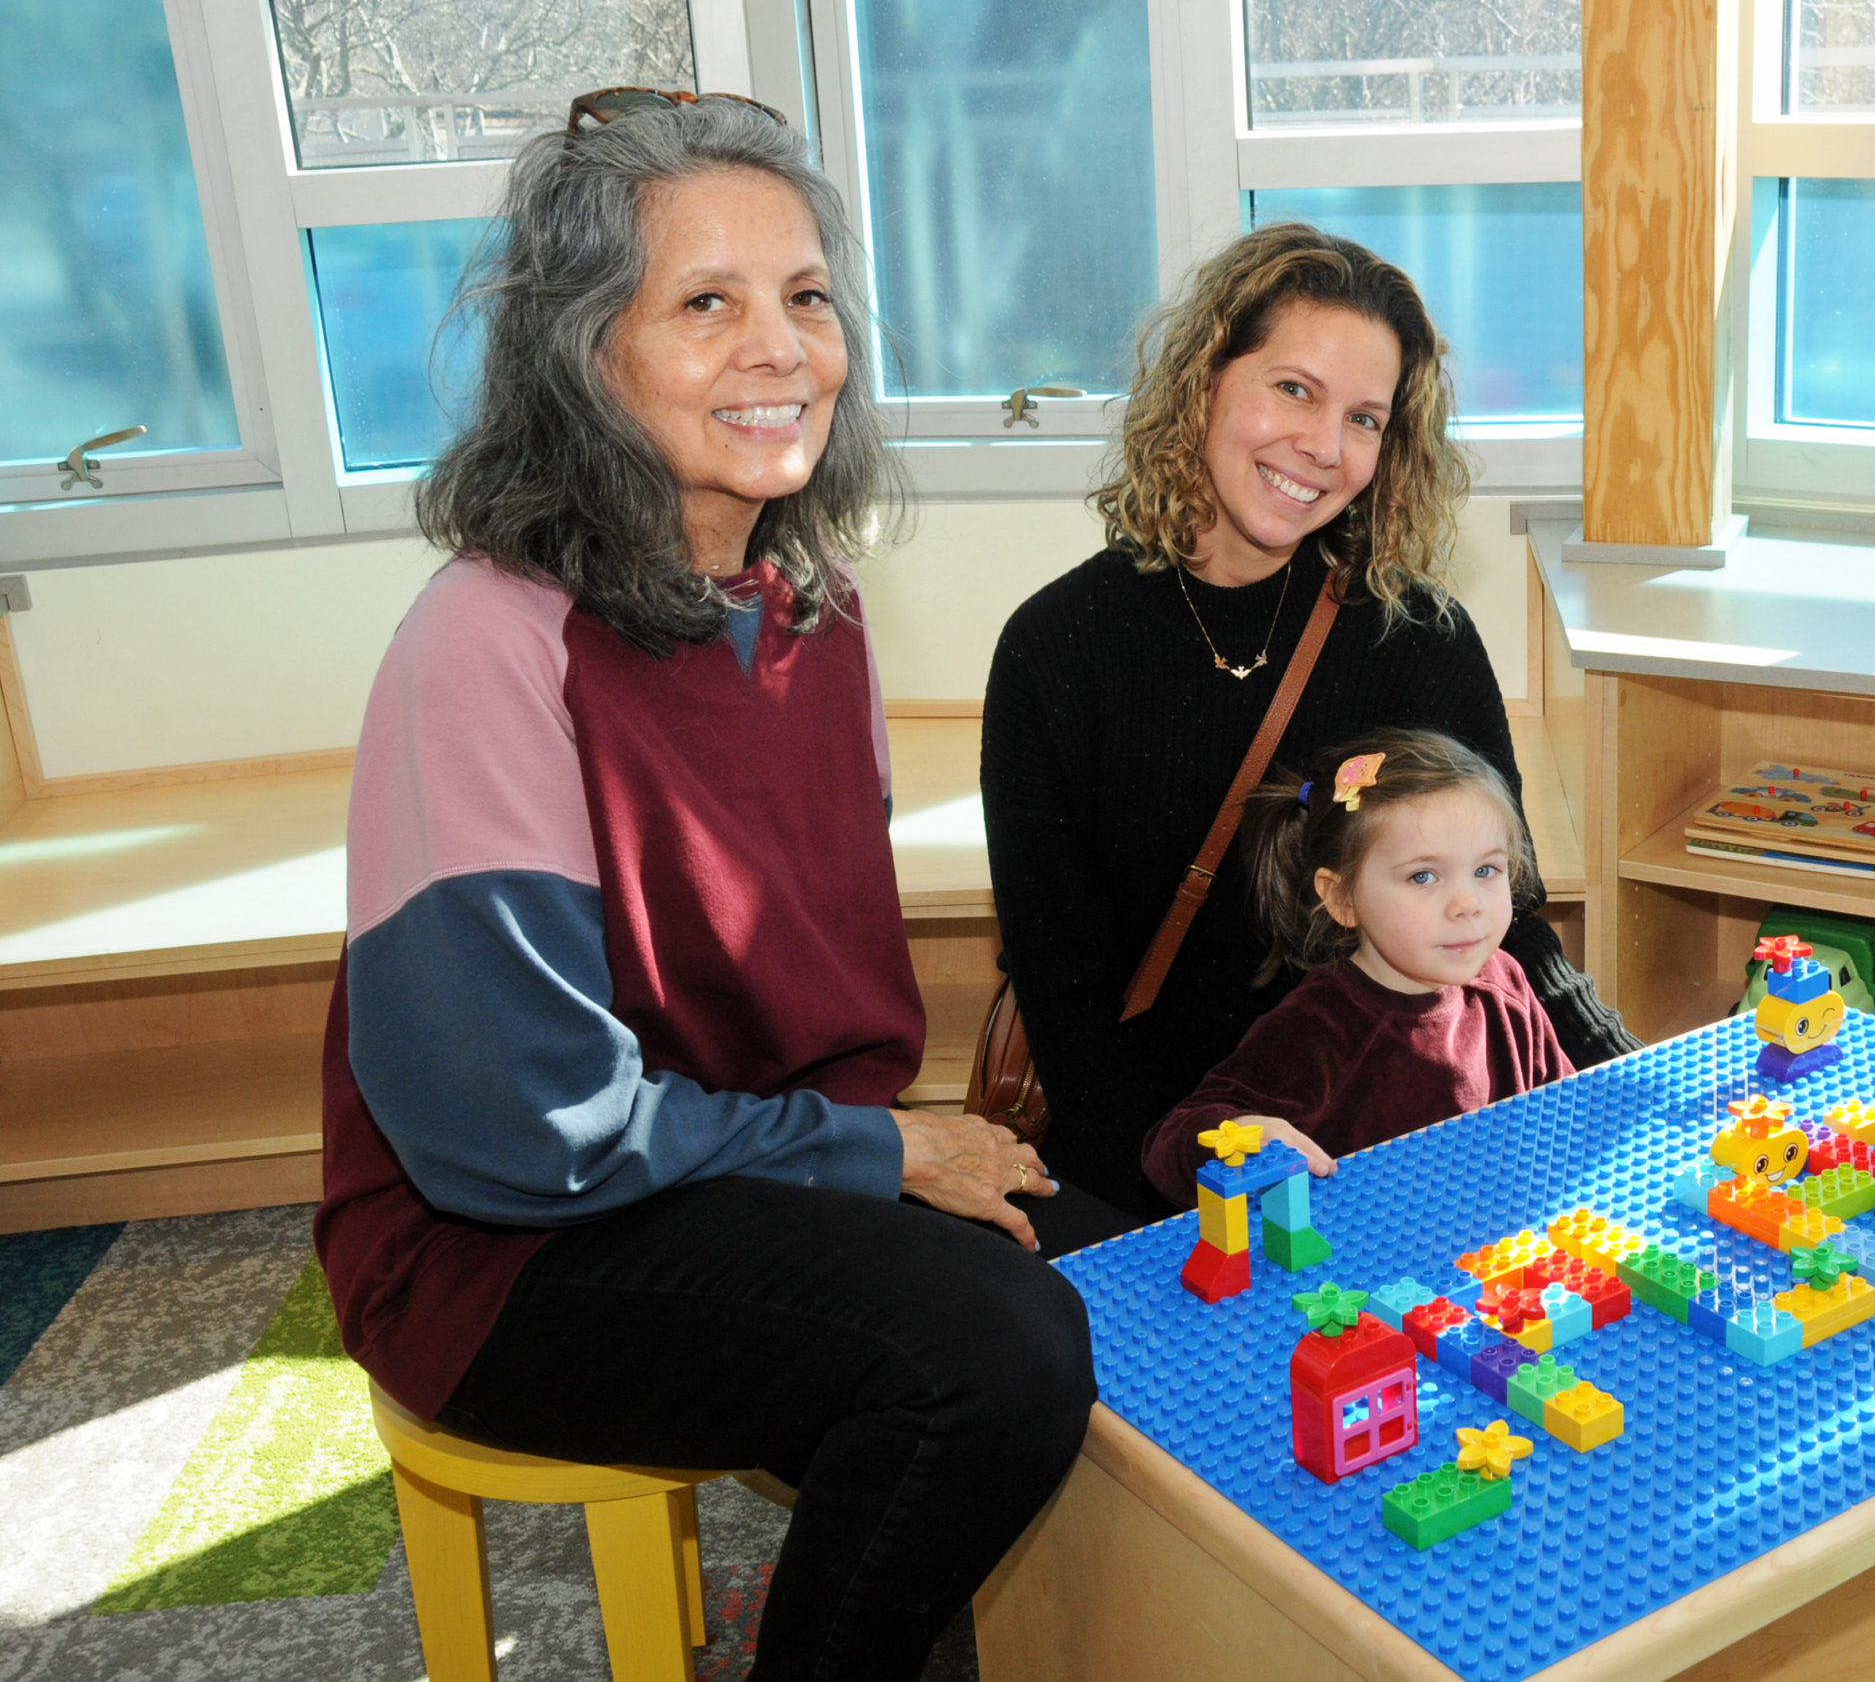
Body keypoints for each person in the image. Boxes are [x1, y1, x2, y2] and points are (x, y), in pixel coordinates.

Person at [313, 93, 1101, 1682]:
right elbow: (518, 1133)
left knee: (1130, 1265)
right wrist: (874, 1153)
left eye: (806, 296)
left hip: (734, 1169)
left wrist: (877, 1156)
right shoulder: (486, 640)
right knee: (985, 1357)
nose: (781, 347)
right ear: (584, 354)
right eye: (705, 303)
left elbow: (801, 1002)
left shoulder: (817, 607)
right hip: (504, 1249)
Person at [983, 223, 1638, 1219]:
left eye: (1365, 418)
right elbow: (1065, 998)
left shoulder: (1418, 636)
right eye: (1293, 388)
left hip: (1393, 1154)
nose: (1324, 448)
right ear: (1204, 378)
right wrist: (1196, 1196)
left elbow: (1514, 920)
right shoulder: (1055, 649)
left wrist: (1626, 1077)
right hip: (1160, 1168)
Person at [1138, 730, 1571, 1204]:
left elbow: (1566, 1115)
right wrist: (1245, 1134)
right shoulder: (1317, 1028)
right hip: (1357, 1273)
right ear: (1341, 898)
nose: (1467, 903)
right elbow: (1169, 1143)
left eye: (1486, 870)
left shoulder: (1504, 982)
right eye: (1423, 876)